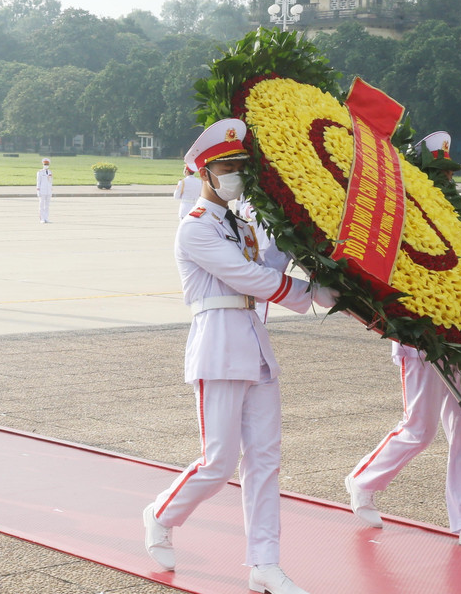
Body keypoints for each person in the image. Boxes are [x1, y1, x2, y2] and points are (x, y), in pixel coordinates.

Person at [143, 119, 337, 594]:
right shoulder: (193, 230)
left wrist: (303, 245)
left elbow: (266, 265)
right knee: (218, 461)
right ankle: (161, 513)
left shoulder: (243, 224)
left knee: (265, 460)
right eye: (226, 167)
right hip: (218, 345)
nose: (235, 176)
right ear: (204, 174)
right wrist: (308, 292)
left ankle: (264, 564)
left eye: (239, 168)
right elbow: (246, 278)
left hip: (254, 343)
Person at [344, 131, 461, 551]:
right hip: (419, 340)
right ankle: (363, 480)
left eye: (448, 174)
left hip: (459, 337)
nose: (445, 182)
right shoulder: (401, 215)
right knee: (419, 429)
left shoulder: (456, 218)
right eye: (437, 174)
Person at [36, 157, 53, 223]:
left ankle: (46, 218)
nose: (46, 165)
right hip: (42, 190)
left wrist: (51, 190)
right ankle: (42, 218)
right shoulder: (40, 172)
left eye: (47, 164)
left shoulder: (50, 172)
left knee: (47, 205)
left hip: (48, 190)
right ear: (43, 164)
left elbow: (51, 182)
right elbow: (38, 182)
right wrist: (38, 190)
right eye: (45, 164)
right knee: (41, 205)